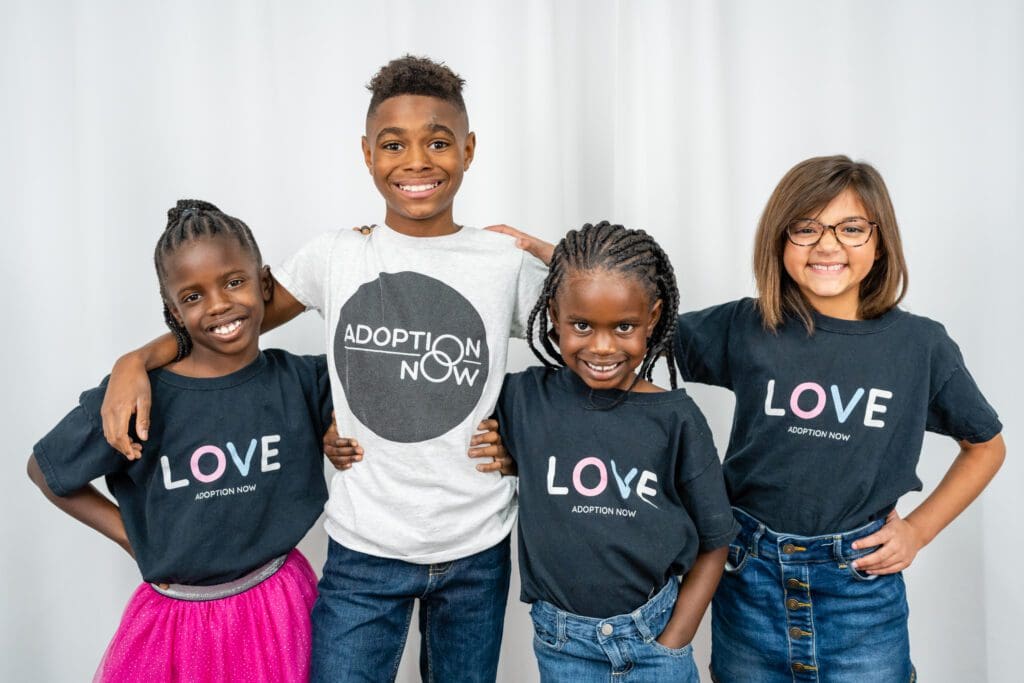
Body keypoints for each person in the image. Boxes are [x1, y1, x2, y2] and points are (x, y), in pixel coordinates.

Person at [96, 56, 547, 682]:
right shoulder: (335, 256)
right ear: (367, 154)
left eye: (438, 142)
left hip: (477, 548)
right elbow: (230, 326)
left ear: (468, 150)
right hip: (365, 549)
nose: (417, 161)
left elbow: (608, 341)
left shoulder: (500, 262)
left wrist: (553, 256)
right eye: (394, 145)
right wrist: (135, 360)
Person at [493, 155, 1006, 681]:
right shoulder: (750, 325)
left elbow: (987, 446)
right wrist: (567, 261)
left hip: (858, 590)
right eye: (806, 228)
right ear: (779, 239)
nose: (827, 244)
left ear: (880, 241)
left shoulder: (919, 346)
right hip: (749, 574)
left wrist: (918, 531)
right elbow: (633, 320)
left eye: (851, 228)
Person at [27, 200, 333, 682]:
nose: (218, 305)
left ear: (265, 284)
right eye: (192, 297)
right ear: (173, 310)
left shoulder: (301, 380)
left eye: (234, 281)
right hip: (179, 623)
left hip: (279, 607)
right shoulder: (136, 398)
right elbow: (45, 472)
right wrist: (134, 538)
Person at [495, 221, 737, 681]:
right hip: (562, 645)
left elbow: (716, 540)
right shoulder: (525, 398)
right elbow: (447, 408)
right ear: (553, 315)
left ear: (654, 318)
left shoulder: (677, 419)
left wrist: (675, 640)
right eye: (581, 325)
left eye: (623, 326)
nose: (602, 347)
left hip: (653, 640)